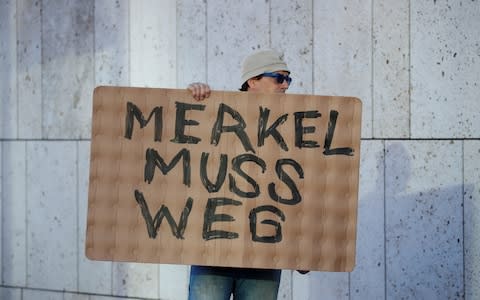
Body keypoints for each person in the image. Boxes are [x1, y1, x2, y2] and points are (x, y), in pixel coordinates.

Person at [187, 49, 305, 300]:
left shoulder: (294, 124)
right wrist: (194, 98)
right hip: (213, 250)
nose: (285, 85)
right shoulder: (216, 112)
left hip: (262, 256)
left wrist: (304, 248)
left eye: (288, 79)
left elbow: (303, 186)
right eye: (278, 78)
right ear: (252, 81)